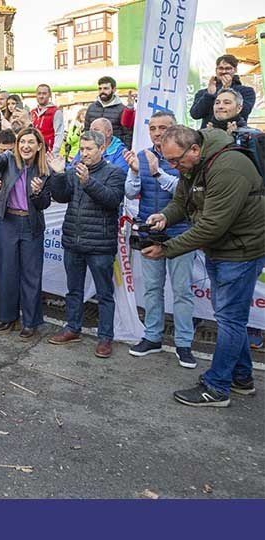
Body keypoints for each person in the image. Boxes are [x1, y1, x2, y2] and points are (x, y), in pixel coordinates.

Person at [141, 125, 265, 407]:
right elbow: (181, 202)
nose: (173, 166)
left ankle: (217, 388)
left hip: (241, 251)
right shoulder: (193, 163)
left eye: (176, 161)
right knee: (229, 317)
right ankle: (242, 378)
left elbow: (212, 225)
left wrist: (167, 249)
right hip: (224, 249)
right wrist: (164, 217)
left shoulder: (228, 167)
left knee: (230, 320)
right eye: (168, 161)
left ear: (194, 149)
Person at [123, 112, 196, 368]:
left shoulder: (185, 157)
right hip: (149, 233)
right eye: (152, 127)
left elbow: (183, 192)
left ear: (173, 129)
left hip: (180, 234)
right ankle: (152, 336)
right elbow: (131, 192)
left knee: (182, 292)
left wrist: (156, 173)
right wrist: (134, 172)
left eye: (162, 127)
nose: (156, 132)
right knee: (152, 289)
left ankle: (184, 343)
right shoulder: (142, 155)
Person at [46, 131, 126, 358]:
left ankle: (105, 338)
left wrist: (88, 182)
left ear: (102, 149)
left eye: (89, 149)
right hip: (73, 240)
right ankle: (73, 328)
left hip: (100, 245)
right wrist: (59, 174)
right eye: (82, 149)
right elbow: (61, 197)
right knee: (74, 290)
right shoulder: (74, 171)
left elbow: (112, 200)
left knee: (104, 293)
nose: (84, 153)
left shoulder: (115, 173)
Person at [0, 127, 51, 338]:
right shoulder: (9, 160)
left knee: (31, 276)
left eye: (31, 142)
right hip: (7, 222)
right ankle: (7, 317)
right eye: (22, 142)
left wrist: (38, 192)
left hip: (31, 225)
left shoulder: (45, 169)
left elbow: (45, 203)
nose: (25, 146)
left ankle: (30, 322)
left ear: (39, 146)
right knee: (6, 273)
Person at [190, 54, 256, 129]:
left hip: (234, 134)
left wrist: (226, 90)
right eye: (221, 68)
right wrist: (209, 95)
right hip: (209, 136)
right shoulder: (203, 93)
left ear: (235, 70)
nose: (224, 71)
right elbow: (195, 114)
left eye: (228, 68)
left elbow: (244, 112)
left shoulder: (247, 91)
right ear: (216, 70)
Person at [84, 76, 135, 149]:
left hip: (114, 152)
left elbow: (128, 134)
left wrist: (123, 152)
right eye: (100, 89)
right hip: (94, 151)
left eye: (106, 88)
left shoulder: (122, 109)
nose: (102, 91)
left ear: (113, 89)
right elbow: (86, 131)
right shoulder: (91, 108)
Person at [30, 84, 64, 154]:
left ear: (49, 95)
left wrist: (54, 152)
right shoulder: (33, 112)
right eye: (39, 93)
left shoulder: (55, 111)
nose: (41, 96)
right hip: (34, 152)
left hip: (49, 153)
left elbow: (59, 133)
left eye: (44, 93)